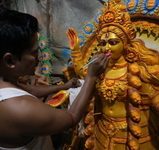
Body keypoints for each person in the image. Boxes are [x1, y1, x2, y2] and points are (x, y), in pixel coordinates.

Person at [0, 7, 109, 150]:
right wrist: (91, 77)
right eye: (33, 52)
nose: (39, 57)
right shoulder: (20, 109)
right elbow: (72, 117)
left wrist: (65, 86)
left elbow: (29, 89)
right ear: (10, 61)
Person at [62, 0, 159, 150]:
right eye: (103, 43)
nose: (106, 47)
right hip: (103, 132)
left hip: (131, 135)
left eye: (113, 42)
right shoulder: (100, 68)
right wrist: (75, 51)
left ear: (125, 43)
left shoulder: (137, 70)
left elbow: (154, 97)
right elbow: (84, 73)